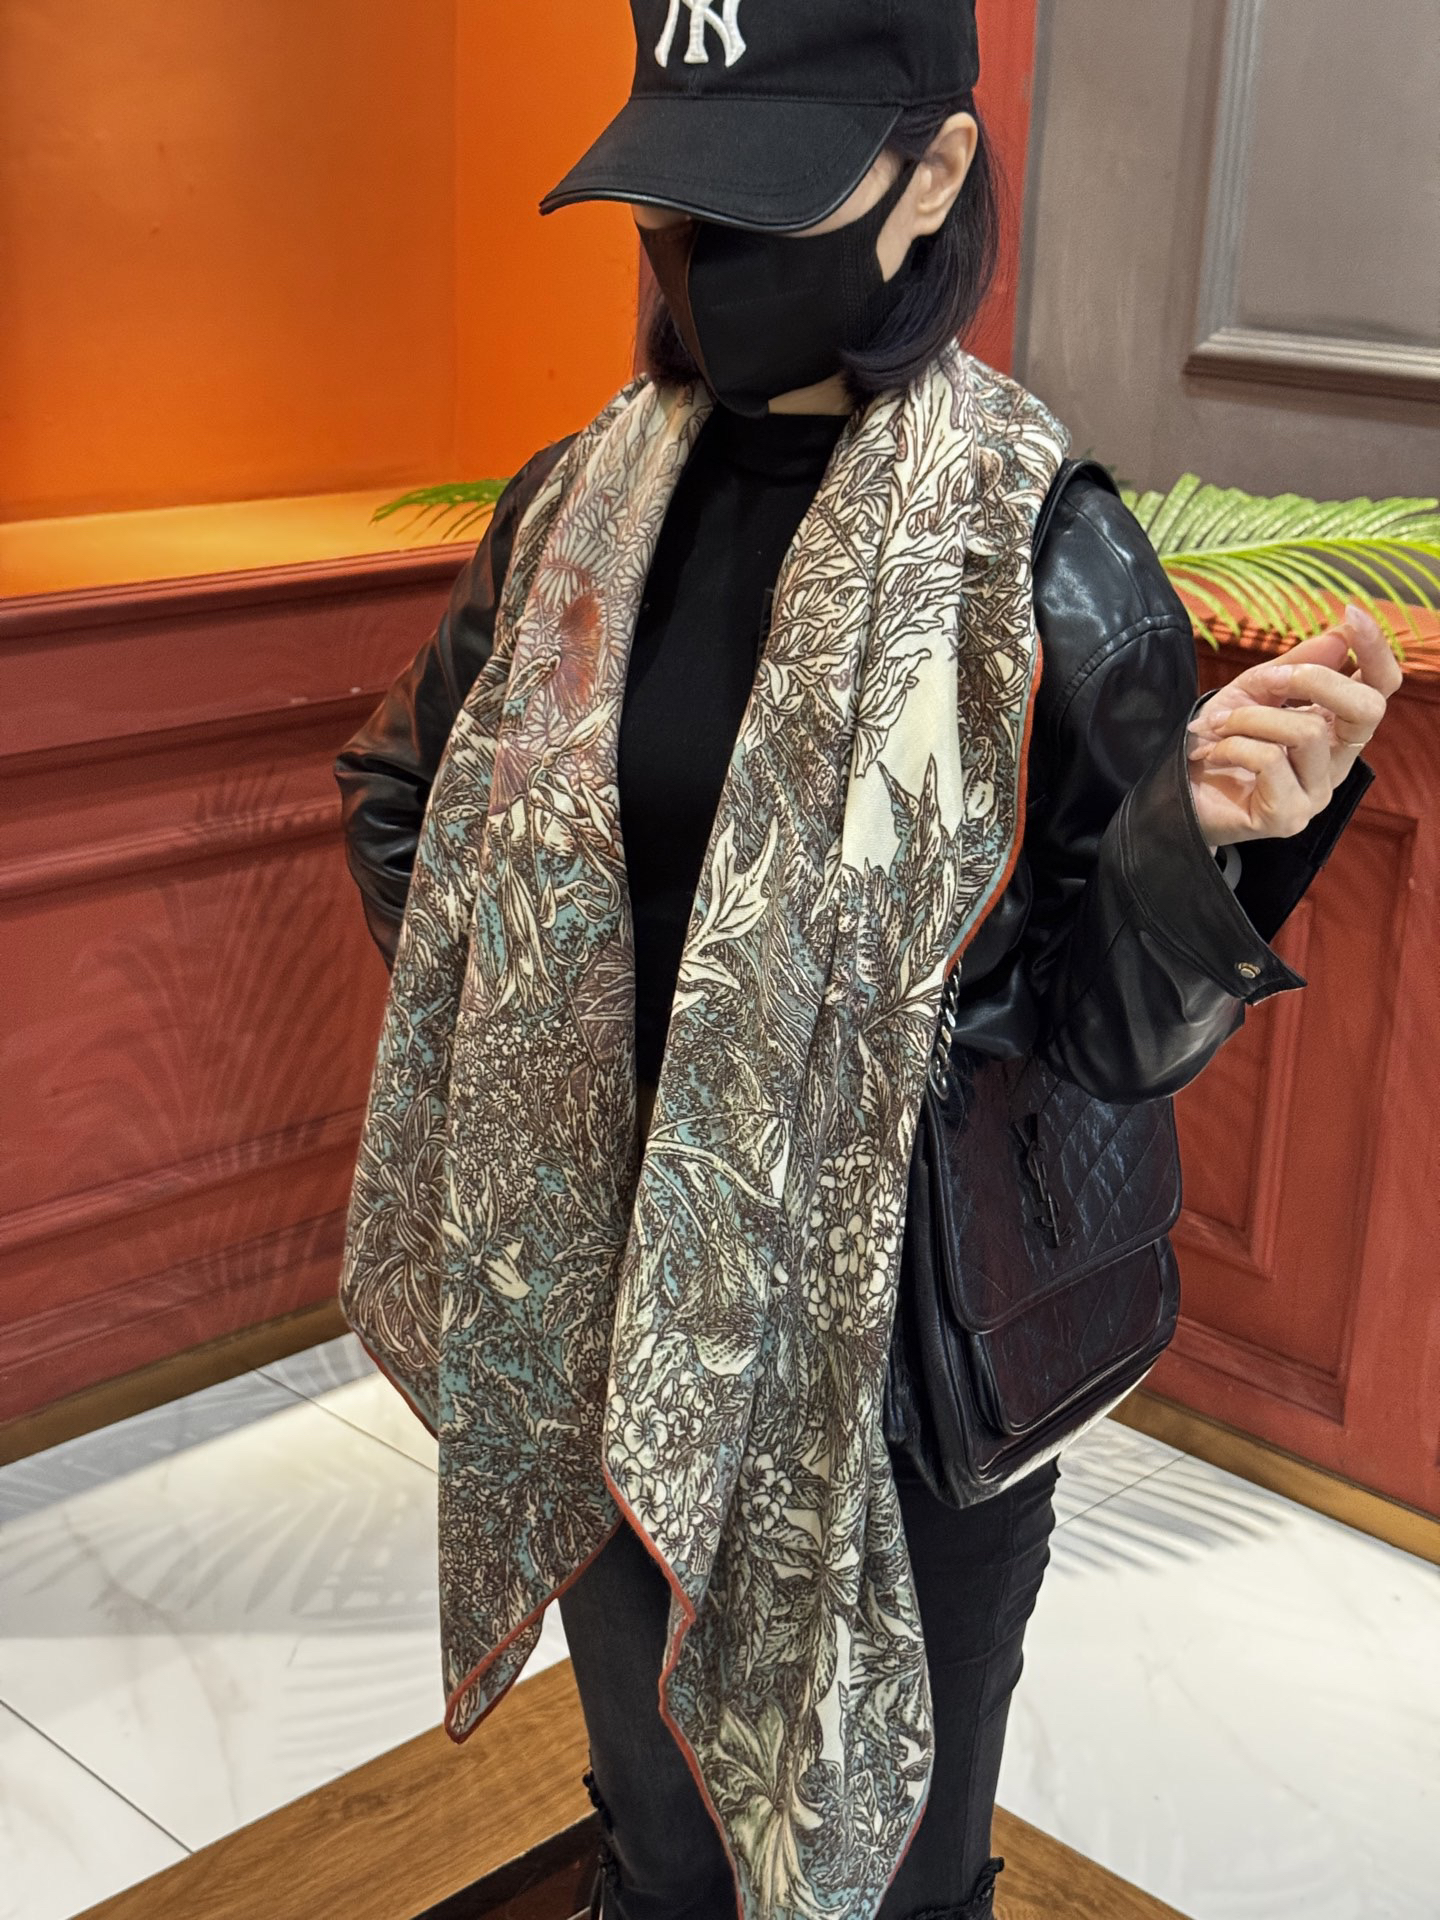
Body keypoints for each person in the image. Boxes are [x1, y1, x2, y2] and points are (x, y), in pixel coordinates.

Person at [333, 5, 1398, 1918]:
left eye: (764, 204)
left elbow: (1106, 1039)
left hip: (900, 1374)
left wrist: (1208, 848)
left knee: (894, 1865)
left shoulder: (1040, 554)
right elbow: (405, 798)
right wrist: (538, 1063)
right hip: (598, 1316)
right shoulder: (577, 510)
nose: (701, 260)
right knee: (659, 1830)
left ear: (932, 176)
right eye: (674, 206)